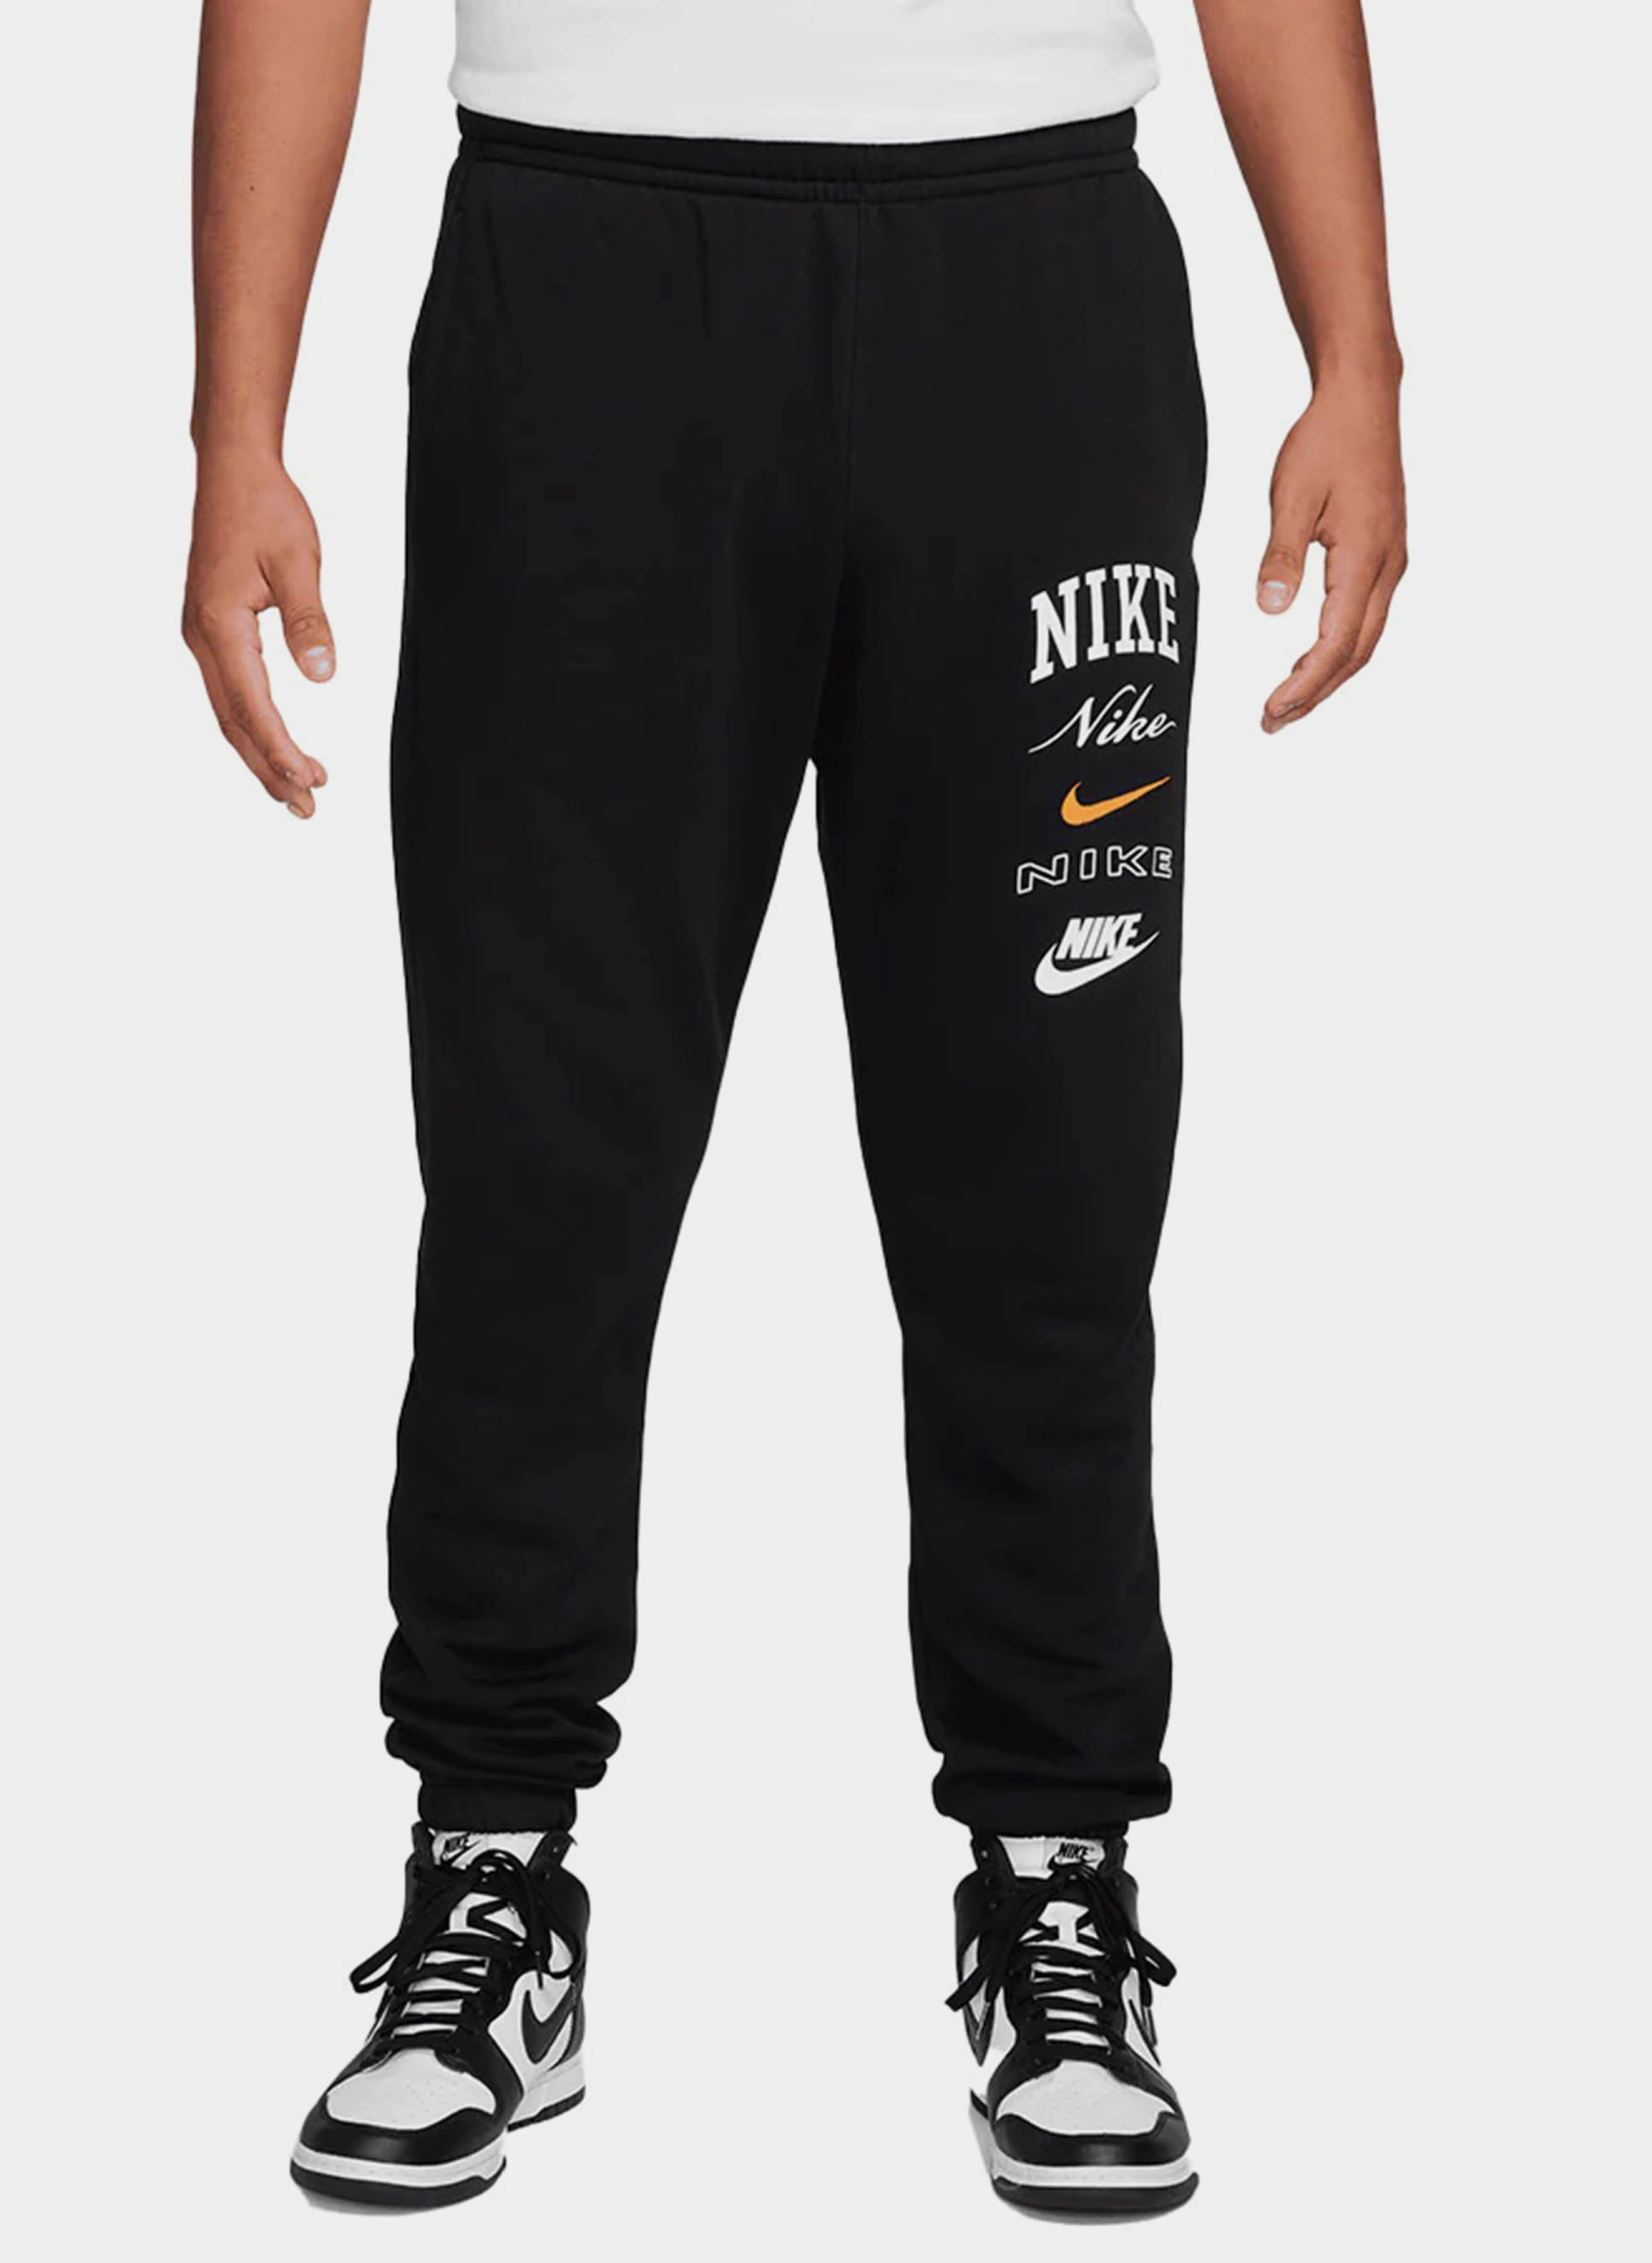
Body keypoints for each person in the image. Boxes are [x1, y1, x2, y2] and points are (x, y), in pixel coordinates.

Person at [184, 0, 1404, 2217]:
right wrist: (233, 426)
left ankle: (1056, 1882)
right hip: (583, 275)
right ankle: (491, 1871)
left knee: (1044, 1164)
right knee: (542, 1162)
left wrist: (1362, 357)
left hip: (1029, 284)